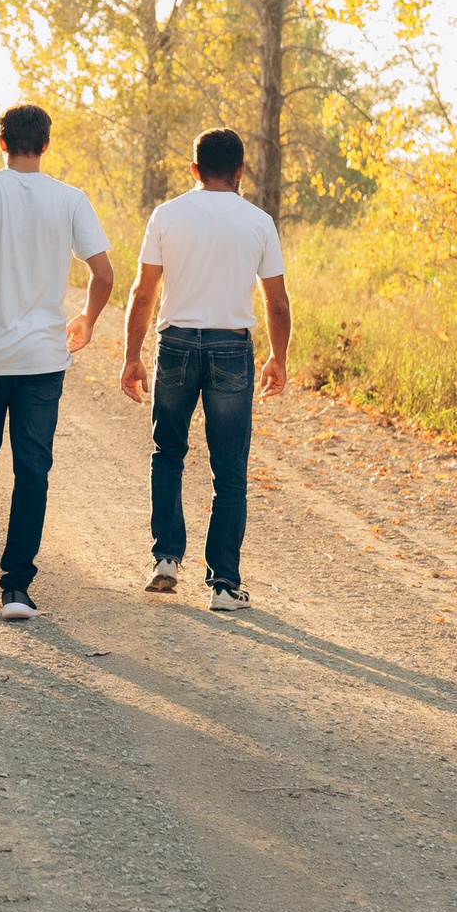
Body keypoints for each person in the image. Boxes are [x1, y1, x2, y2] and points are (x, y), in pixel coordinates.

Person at [0, 103, 113, 620]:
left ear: (1, 142)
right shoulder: (70, 199)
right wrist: (87, 320)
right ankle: (18, 589)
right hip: (42, 359)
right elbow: (103, 273)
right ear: (46, 144)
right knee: (33, 469)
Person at [118, 128, 290, 612]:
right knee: (229, 468)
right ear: (240, 172)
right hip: (230, 348)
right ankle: (223, 584)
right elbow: (276, 303)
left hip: (174, 344)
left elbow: (143, 292)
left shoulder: (167, 216)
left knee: (167, 452)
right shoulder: (259, 222)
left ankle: (166, 559)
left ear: (193, 169)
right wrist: (279, 357)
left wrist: (132, 354)